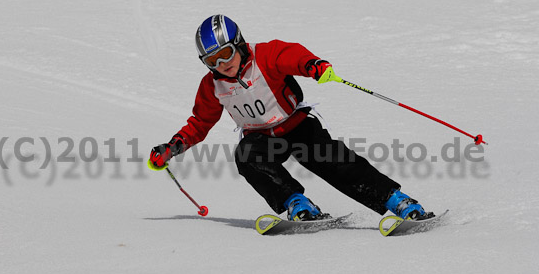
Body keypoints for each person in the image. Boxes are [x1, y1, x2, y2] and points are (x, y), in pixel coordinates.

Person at [149, 14, 430, 221]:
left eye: (225, 54)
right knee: (246, 156)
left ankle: (398, 201)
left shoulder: (265, 56)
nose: (222, 64)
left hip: (298, 127)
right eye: (212, 61)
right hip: (261, 139)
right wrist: (174, 147)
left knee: (334, 162)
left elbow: (292, 54)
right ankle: (297, 203)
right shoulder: (212, 86)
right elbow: (200, 122)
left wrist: (314, 65)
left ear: (239, 44)